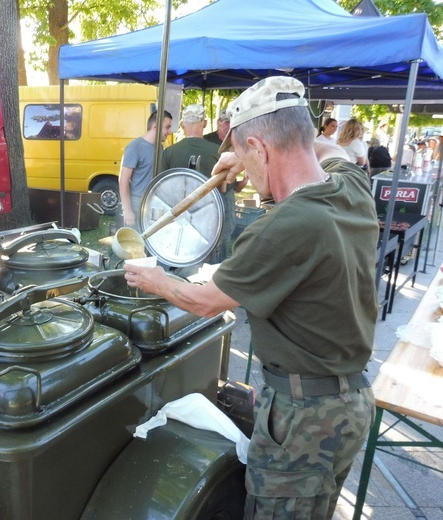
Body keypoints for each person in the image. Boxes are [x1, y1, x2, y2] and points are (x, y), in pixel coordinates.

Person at [123, 76, 377, 519]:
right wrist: (242, 154)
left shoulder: (282, 227)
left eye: (247, 154)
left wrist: (153, 279)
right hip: (350, 403)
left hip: (305, 419)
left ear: (259, 148)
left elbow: (204, 301)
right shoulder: (349, 186)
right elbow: (327, 150)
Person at [161, 104, 248, 263]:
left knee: (182, 259)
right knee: (212, 264)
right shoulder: (219, 153)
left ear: (182, 124)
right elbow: (225, 189)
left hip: (181, 217)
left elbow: (162, 190)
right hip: (212, 220)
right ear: (205, 123)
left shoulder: (169, 153)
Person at [119, 110, 173, 230]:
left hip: (153, 204)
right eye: (167, 127)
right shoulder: (135, 146)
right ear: (155, 127)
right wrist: (127, 210)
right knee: (135, 245)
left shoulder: (159, 147)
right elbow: (123, 180)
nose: (169, 132)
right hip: (137, 206)